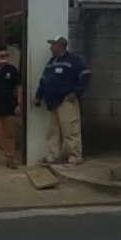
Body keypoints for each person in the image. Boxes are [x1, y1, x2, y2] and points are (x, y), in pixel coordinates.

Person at [34, 36, 91, 166]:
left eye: (52, 44)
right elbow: (43, 80)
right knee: (53, 131)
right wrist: (38, 96)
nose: (50, 47)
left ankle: (74, 156)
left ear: (60, 45)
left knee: (70, 129)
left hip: (66, 101)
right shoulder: (51, 61)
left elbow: (86, 74)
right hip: (52, 102)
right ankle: (53, 156)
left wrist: (76, 92)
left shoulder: (73, 60)